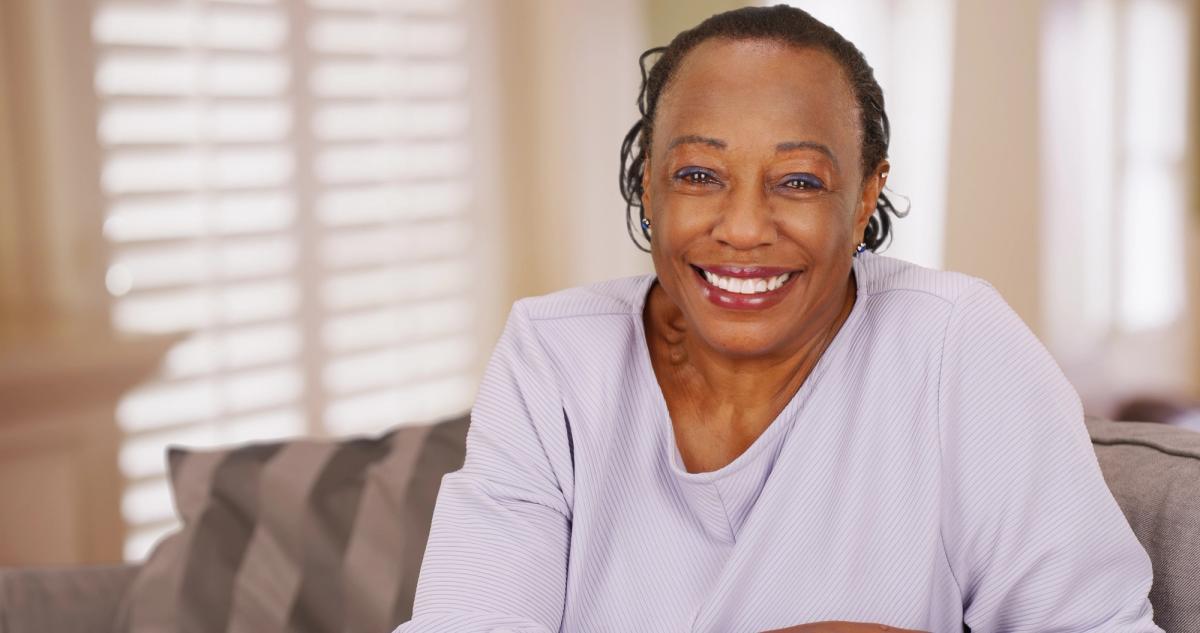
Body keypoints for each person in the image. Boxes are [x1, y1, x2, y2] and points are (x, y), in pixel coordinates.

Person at [396, 5, 1160, 632]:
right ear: (647, 189)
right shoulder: (553, 358)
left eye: (797, 180)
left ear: (863, 197)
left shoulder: (955, 345)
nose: (744, 227)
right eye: (699, 174)